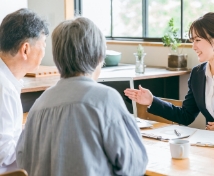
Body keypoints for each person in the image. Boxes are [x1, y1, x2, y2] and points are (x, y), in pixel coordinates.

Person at [16, 17, 148, 176]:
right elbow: (134, 165)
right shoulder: (105, 98)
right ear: (99, 56)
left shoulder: (38, 106)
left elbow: (23, 162)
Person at [125, 12, 214, 136]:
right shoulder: (198, 73)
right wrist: (152, 100)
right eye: (192, 41)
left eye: (198, 40)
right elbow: (186, 116)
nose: (193, 46)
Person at [0, 9, 48, 173]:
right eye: (43, 45)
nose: (44, 52)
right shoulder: (3, 88)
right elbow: (4, 154)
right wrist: (34, 135)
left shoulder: (8, 81)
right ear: (26, 49)